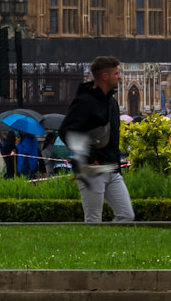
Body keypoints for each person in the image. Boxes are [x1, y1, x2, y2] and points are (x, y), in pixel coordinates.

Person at [60, 54, 134, 226]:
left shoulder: (112, 103)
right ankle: (93, 251)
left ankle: (110, 248)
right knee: (93, 220)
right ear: (104, 76)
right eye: (116, 73)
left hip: (112, 168)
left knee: (126, 215)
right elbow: (66, 131)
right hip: (92, 169)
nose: (120, 77)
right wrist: (89, 156)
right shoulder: (84, 101)